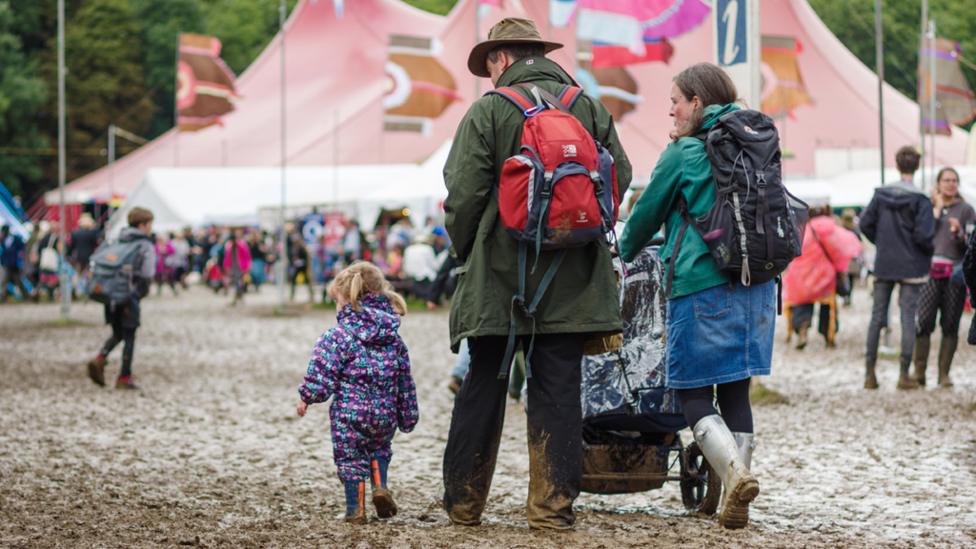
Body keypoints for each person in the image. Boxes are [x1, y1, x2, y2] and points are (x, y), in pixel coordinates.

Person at [441, 17, 631, 530]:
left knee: (483, 382)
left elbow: (462, 195)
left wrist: (469, 254)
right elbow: (623, 175)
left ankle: (464, 504)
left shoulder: (489, 110)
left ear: (501, 58)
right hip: (574, 278)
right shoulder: (586, 106)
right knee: (558, 392)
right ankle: (551, 510)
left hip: (500, 277)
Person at [619, 62, 767, 529]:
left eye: (676, 102)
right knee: (737, 387)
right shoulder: (755, 138)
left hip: (701, 284)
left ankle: (736, 475)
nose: (671, 112)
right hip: (759, 286)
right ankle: (729, 494)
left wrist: (621, 251)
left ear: (697, 102)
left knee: (690, 393)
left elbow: (644, 218)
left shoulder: (683, 152)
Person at [295, 261, 419, 524]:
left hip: (350, 416)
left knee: (350, 458)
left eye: (337, 301)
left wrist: (307, 396)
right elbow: (404, 380)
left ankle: (356, 510)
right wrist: (408, 415)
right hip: (385, 415)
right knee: (380, 447)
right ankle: (380, 486)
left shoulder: (338, 336)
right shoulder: (393, 338)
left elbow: (322, 372)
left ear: (347, 300)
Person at [860, 146, 935, 390]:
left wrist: (881, 243)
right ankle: (904, 374)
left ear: (896, 164)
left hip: (884, 262)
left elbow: (865, 224)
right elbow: (924, 236)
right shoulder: (921, 199)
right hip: (912, 266)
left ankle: (869, 374)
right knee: (907, 318)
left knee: (877, 316)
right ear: (917, 166)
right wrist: (925, 251)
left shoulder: (881, 194)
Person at [914, 167, 976, 387]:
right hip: (929, 273)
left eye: (954, 180)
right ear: (938, 183)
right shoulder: (927, 207)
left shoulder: (966, 210)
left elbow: (972, 246)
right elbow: (921, 237)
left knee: (950, 323)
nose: (950, 184)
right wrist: (937, 211)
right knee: (924, 322)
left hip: (954, 275)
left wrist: (959, 233)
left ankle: (943, 374)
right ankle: (919, 372)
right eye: (946, 180)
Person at [85, 207, 156, 390]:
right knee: (130, 335)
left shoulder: (117, 239)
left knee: (118, 332)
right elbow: (148, 273)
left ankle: (100, 358)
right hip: (128, 295)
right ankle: (124, 376)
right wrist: (140, 293)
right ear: (142, 225)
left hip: (110, 294)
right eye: (149, 224)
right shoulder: (144, 245)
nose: (151, 228)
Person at [783, 202, 863, 349]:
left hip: (804, 275)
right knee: (827, 306)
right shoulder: (831, 227)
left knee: (803, 302)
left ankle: (802, 331)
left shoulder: (803, 229)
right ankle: (828, 335)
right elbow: (844, 245)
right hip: (825, 277)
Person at [68, 213, 101, 296]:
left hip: (79, 257)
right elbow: (97, 244)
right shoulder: (92, 233)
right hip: (90, 256)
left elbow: (71, 247)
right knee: (90, 274)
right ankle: (89, 290)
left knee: (78, 274)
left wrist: (68, 255)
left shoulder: (75, 233)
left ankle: (77, 291)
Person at [0, 225, 30, 301]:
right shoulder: (3, 240)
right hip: (7, 264)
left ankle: (26, 295)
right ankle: (3, 296)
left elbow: (22, 247)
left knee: (18, 281)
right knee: (4, 280)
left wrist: (20, 258)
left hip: (15, 264)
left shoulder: (15, 238)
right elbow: (3, 252)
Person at [223, 228, 252, 306]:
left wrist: (247, 267)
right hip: (233, 267)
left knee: (239, 282)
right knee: (236, 283)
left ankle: (237, 298)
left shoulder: (241, 246)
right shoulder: (229, 247)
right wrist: (226, 267)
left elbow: (247, 257)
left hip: (240, 268)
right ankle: (238, 297)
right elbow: (227, 258)